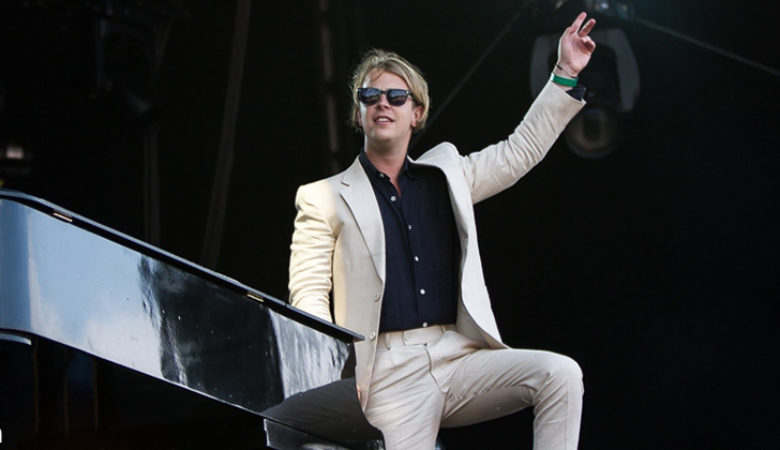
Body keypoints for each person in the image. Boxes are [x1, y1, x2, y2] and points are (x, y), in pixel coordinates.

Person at [288, 12, 597, 450]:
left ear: (416, 113)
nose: (382, 103)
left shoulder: (447, 175)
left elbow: (518, 152)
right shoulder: (322, 196)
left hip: (455, 356)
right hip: (386, 374)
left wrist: (564, 72)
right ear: (358, 112)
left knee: (560, 374)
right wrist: (329, 373)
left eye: (396, 96)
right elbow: (308, 294)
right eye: (370, 95)